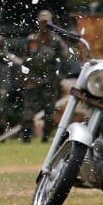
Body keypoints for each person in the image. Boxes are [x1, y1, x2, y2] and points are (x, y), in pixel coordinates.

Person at [19, 10, 68, 143]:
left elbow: (65, 57)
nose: (44, 25)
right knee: (28, 110)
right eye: (42, 22)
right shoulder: (31, 39)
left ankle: (46, 137)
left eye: (47, 22)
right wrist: (24, 77)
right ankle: (26, 138)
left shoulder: (56, 40)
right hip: (33, 79)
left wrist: (59, 76)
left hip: (50, 79)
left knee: (49, 111)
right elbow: (24, 59)